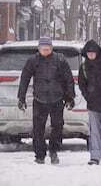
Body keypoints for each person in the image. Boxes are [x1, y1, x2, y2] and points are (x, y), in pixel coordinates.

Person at [17, 37, 75, 165]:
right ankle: (39, 155)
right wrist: (21, 97)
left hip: (57, 98)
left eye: (48, 49)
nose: (45, 51)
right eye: (43, 49)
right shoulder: (33, 61)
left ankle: (54, 150)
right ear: (39, 49)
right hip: (39, 99)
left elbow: (68, 79)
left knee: (58, 126)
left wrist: (70, 97)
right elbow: (24, 79)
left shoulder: (60, 60)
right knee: (38, 129)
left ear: (51, 48)